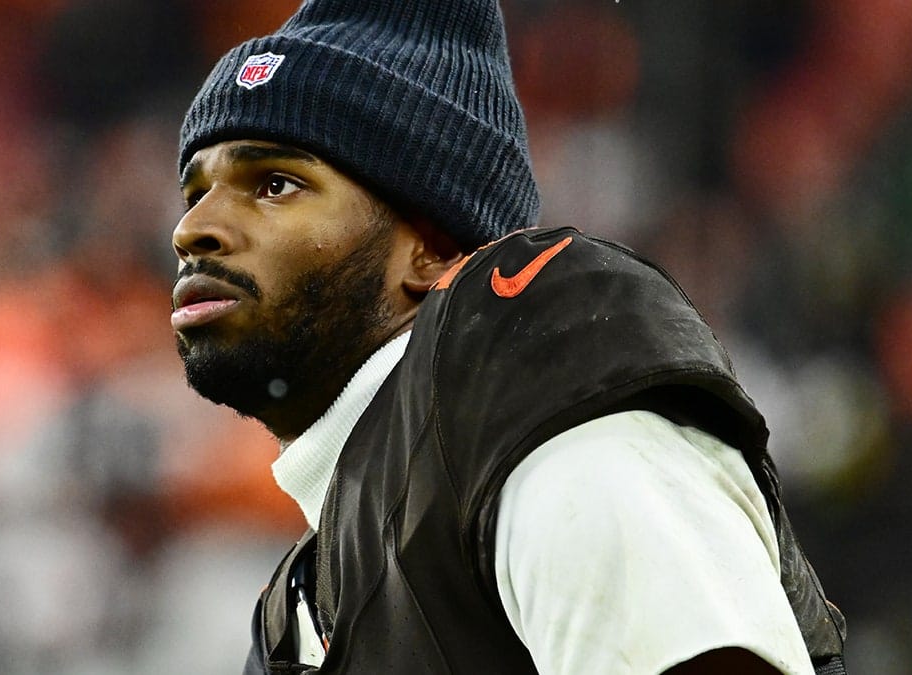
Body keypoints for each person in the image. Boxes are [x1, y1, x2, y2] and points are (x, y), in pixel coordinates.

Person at [169, 1, 847, 673]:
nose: (192, 229)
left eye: (276, 184)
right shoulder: (312, 586)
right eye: (196, 190)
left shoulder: (550, 410)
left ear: (432, 249)